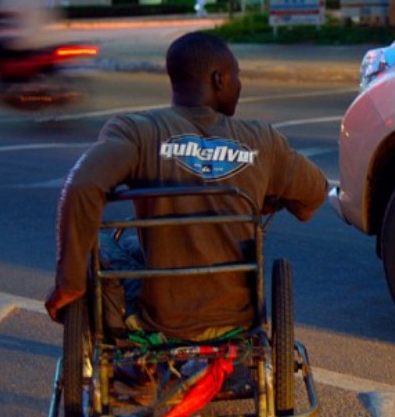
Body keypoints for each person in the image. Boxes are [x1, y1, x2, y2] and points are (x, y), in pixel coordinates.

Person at [44, 31, 327, 340]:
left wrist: (69, 282)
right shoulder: (263, 139)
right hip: (238, 314)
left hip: (163, 318)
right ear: (219, 79)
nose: (240, 85)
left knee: (100, 240)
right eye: (237, 76)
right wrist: (267, 198)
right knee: (128, 243)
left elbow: (80, 186)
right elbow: (314, 193)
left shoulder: (137, 130)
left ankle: (117, 328)